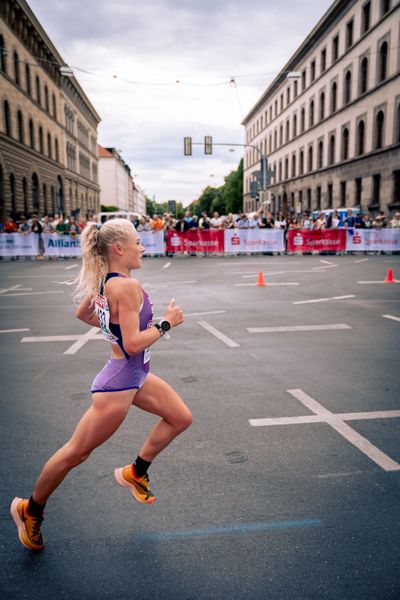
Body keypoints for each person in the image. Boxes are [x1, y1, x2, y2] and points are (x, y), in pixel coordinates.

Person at [10, 218, 192, 551]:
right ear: (118, 248)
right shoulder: (126, 286)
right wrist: (168, 323)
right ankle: (30, 509)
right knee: (74, 454)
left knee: (180, 418)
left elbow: (85, 313)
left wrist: (116, 329)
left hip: (137, 375)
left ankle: (136, 471)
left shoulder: (112, 282)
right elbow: (135, 344)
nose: (142, 246)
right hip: (119, 383)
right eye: (137, 242)